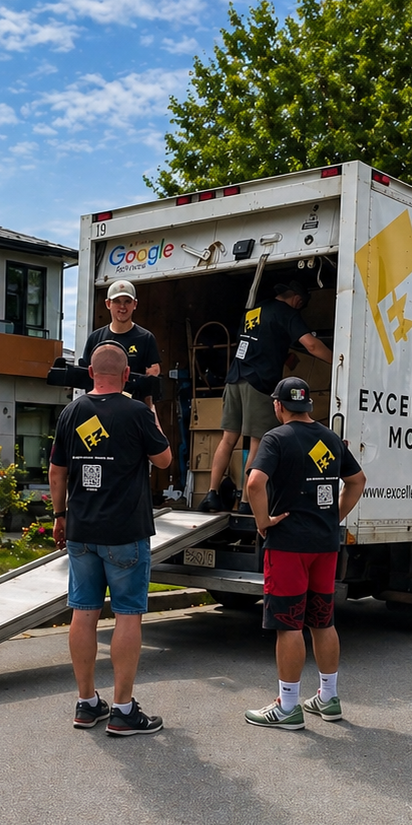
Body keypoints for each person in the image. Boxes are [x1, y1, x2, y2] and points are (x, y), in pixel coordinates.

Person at [48, 342, 174, 736]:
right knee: (127, 616)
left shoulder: (72, 412)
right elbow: (164, 460)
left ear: (90, 373)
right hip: (125, 533)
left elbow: (56, 472)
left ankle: (86, 703)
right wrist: (152, 412)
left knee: (82, 612)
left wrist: (60, 516)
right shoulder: (137, 413)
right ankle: (122, 710)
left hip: (81, 531)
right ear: (126, 376)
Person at [242, 376, 366, 730]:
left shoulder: (276, 438)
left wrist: (263, 521)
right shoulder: (330, 438)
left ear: (278, 405)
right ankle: (328, 697)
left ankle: (288, 706)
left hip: (288, 544)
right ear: (308, 405)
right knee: (322, 620)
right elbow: (357, 481)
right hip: (325, 544)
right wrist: (334, 516)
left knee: (288, 624)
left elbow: (255, 483)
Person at [199, 280, 332, 513]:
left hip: (235, 378)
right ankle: (246, 502)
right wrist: (339, 360)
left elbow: (259, 342)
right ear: (298, 300)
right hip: (259, 383)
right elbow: (311, 345)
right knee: (257, 443)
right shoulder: (287, 313)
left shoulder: (255, 310)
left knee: (228, 439)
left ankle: (211, 494)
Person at [82, 279, 162, 380]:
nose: (122, 306)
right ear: (108, 304)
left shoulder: (146, 338)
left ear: (135, 304)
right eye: (117, 301)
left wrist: (153, 373)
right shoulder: (95, 338)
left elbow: (154, 370)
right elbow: (84, 374)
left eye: (127, 301)